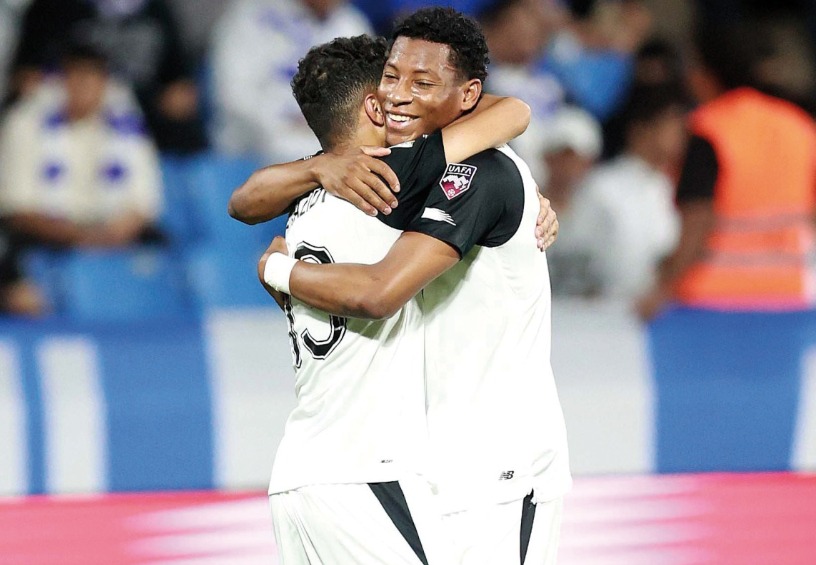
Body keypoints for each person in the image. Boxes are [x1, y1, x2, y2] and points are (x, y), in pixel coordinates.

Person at [248, 8, 571, 564]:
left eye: (421, 83)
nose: (399, 94)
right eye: (391, 78)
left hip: (502, 464)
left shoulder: (482, 172)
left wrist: (277, 270)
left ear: (467, 95)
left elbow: (378, 290)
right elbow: (246, 200)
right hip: (427, 467)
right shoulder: (393, 177)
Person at [637, 23, 816, 319]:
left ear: (708, 71)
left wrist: (663, 290)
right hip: (788, 296)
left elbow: (698, 220)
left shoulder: (710, 129)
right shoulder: (799, 126)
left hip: (714, 302)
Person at [0, 41, 164, 249]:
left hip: (112, 237)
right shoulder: (24, 121)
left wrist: (111, 235)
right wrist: (78, 236)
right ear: (59, 80)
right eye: (76, 75)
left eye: (93, 76)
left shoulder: (126, 124)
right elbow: (17, 209)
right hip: (46, 239)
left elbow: (144, 202)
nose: (85, 85)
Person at [10, 0, 206, 153]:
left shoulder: (157, 10)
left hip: (141, 123)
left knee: (187, 136)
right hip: (64, 120)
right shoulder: (53, 7)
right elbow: (25, 78)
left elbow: (181, 89)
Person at [211, 0, 372, 162]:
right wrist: (283, 124)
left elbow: (367, 95)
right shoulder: (252, 15)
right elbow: (233, 95)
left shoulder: (351, 23)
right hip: (256, 148)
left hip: (327, 145)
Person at [567, 84, 682, 300]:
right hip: (605, 314)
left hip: (660, 314)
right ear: (641, 130)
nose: (680, 135)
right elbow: (578, 254)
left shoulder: (668, 186)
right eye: (671, 125)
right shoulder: (602, 186)